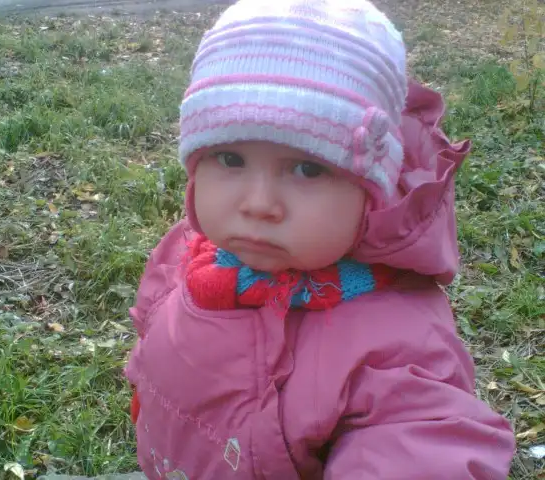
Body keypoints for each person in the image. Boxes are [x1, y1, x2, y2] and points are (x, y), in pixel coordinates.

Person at [124, 0, 516, 478]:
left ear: (369, 195)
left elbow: (422, 443)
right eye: (230, 159)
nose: (259, 203)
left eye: (308, 169)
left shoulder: (393, 344)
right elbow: (153, 325)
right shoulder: (190, 251)